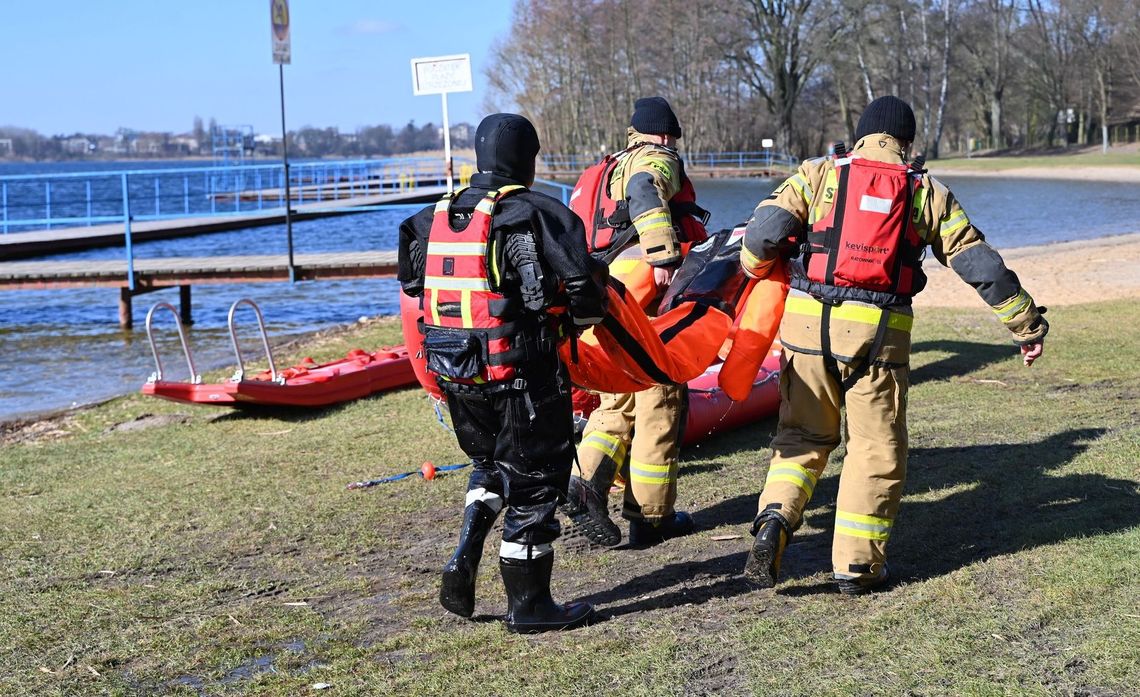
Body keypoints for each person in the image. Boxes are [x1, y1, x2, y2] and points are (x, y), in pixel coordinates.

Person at [739, 95, 1048, 594]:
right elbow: (977, 261)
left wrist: (753, 269)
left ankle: (775, 517)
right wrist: (1026, 324)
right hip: (877, 336)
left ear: (861, 135)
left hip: (805, 329)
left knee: (801, 436)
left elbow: (761, 235)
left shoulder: (818, 174)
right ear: (906, 142)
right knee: (874, 448)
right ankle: (856, 567)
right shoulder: (925, 190)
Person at [398, 113, 608, 632]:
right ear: (528, 160)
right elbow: (584, 290)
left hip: (457, 375)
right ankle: (529, 605)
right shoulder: (541, 212)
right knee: (534, 482)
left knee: (489, 464)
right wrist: (578, 321)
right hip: (522, 378)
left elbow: (412, 285)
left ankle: (465, 553)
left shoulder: (426, 219)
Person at [562, 97, 710, 547]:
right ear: (665, 135)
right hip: (643, 295)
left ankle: (584, 485)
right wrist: (663, 255)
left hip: (607, 293)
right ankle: (650, 517)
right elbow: (646, 190)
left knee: (616, 400)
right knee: (660, 398)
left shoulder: (604, 170)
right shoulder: (656, 158)